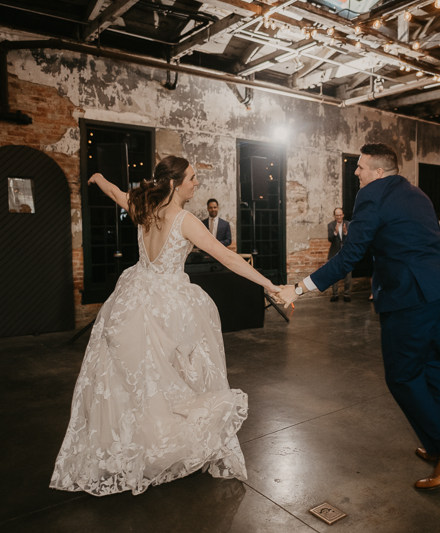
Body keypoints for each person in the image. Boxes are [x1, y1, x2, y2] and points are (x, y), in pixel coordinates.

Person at [50, 156, 281, 496]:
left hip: (136, 295)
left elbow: (115, 191)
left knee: (141, 378)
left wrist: (99, 177)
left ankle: (139, 445)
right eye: (192, 177)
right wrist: (270, 285)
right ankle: (166, 445)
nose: (197, 182)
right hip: (170, 304)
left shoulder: (143, 208)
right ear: (174, 184)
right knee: (177, 374)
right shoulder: (184, 220)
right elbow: (228, 257)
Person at [278, 143, 440, 491]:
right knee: (430, 369)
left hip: (411, 298)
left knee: (402, 376)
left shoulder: (373, 195)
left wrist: (298, 288)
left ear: (379, 172)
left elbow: (350, 256)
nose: (357, 173)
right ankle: (439, 445)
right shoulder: (417, 194)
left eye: (361, 167)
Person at [327, 207, 351, 302]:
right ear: (334, 216)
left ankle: (346, 294)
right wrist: (335, 232)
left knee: (348, 274)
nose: (339, 217)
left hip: (346, 253)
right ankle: (335, 294)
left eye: (340, 215)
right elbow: (330, 239)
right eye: (337, 215)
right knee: (334, 274)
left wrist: (345, 232)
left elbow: (351, 239)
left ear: (343, 215)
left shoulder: (349, 224)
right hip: (334, 253)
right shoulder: (330, 225)